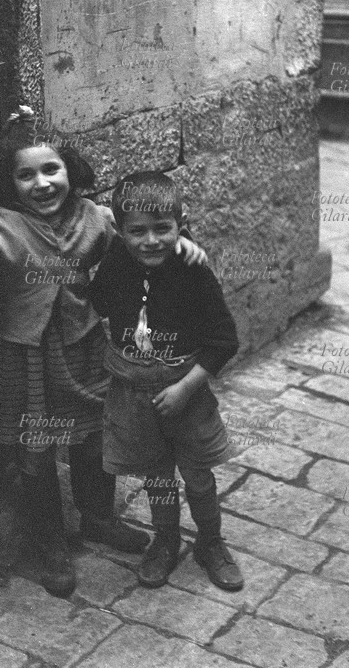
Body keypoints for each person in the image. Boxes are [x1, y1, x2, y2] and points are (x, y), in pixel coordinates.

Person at [0, 108, 206, 598]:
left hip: (84, 348)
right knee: (33, 454)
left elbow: (142, 238)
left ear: (70, 172)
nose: (41, 183)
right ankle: (50, 545)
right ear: (11, 184)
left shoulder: (93, 218)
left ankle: (97, 517)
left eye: (51, 170)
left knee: (93, 437)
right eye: (26, 175)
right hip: (23, 358)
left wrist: (183, 244)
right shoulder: (2, 226)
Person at [88, 170, 244, 591]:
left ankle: (210, 542)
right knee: (156, 474)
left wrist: (185, 389)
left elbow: (224, 340)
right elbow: (98, 299)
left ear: (182, 223)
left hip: (184, 388)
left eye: (164, 229)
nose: (151, 240)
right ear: (120, 232)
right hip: (133, 390)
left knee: (197, 474)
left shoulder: (193, 269)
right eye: (137, 231)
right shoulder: (117, 261)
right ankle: (166, 540)